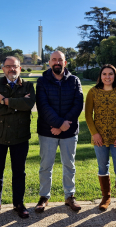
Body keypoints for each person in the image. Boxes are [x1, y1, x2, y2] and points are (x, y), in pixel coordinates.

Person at [0, 56, 36, 220]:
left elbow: (29, 105)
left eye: (15, 66)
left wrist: (5, 101)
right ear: (3, 68)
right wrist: (16, 106)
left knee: (19, 172)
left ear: (20, 68)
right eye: (8, 66)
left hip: (20, 137)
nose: (12, 69)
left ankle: (18, 203)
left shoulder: (27, 85)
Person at [35, 51, 84, 213]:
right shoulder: (42, 81)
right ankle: (44, 197)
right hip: (47, 131)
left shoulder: (75, 80)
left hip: (69, 132)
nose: (57, 62)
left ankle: (69, 196)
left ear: (65, 62)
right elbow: (43, 106)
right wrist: (58, 124)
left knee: (69, 165)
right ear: (49, 62)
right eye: (54, 59)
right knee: (45, 166)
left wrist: (64, 125)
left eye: (60, 60)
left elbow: (78, 104)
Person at [85, 64, 116, 218]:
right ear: (100, 76)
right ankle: (106, 197)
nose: (107, 77)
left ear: (115, 76)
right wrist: (95, 134)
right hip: (99, 138)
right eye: (104, 74)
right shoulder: (93, 92)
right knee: (102, 167)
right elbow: (87, 116)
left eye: (110, 74)